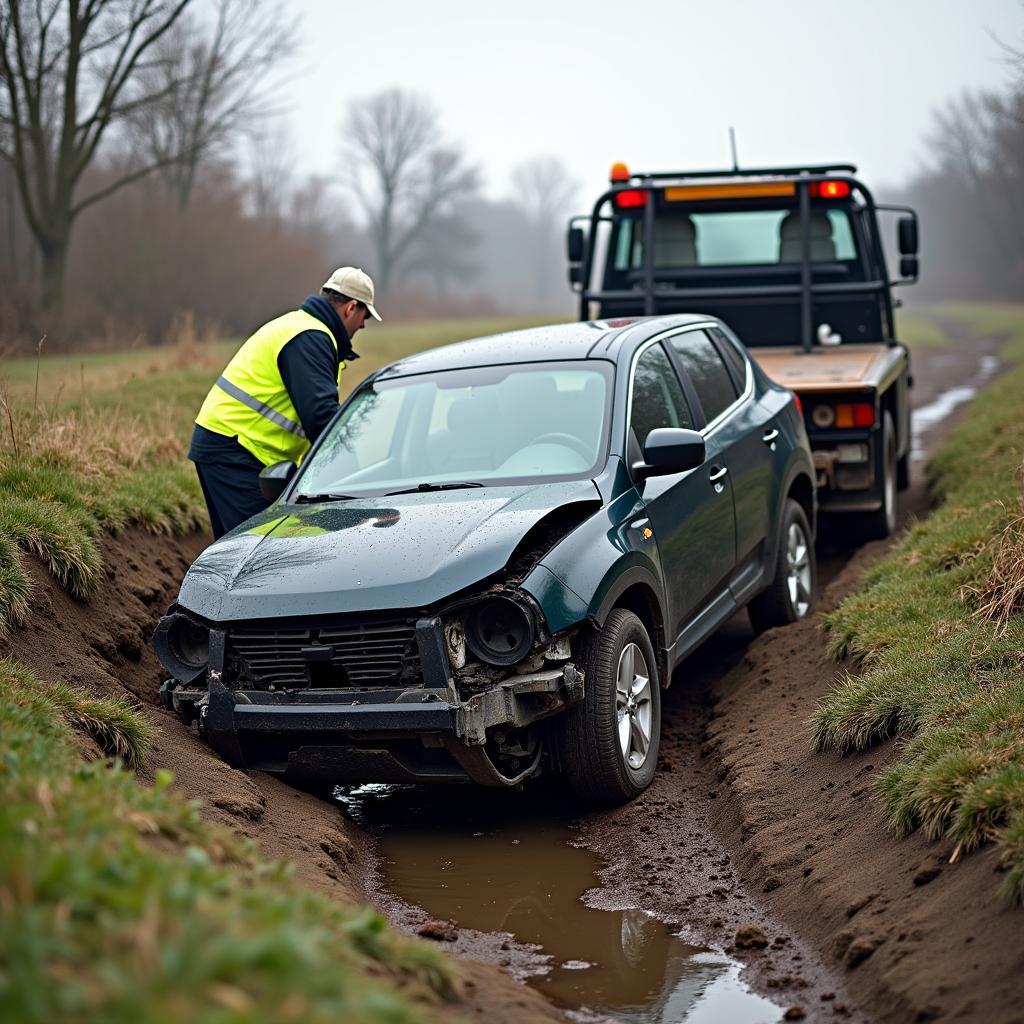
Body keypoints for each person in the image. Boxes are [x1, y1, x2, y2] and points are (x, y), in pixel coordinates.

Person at [188, 267, 382, 539]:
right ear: (351, 308)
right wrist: (359, 483)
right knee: (255, 550)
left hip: (234, 447)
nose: (363, 325)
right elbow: (321, 419)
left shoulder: (303, 328)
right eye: (364, 316)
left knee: (244, 547)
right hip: (234, 449)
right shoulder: (311, 337)